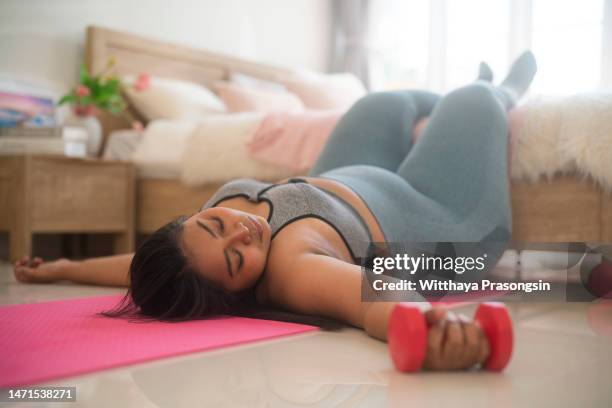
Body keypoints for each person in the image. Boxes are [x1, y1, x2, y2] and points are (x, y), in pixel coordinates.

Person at [13, 52, 537, 371]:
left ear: (187, 222)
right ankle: (497, 92)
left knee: (377, 105)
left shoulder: (194, 250)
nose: (243, 231)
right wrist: (425, 325)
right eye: (237, 260)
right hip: (436, 213)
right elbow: (372, 298)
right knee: (471, 100)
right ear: (238, 291)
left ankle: (447, 102)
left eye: (214, 224)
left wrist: (62, 269)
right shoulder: (294, 270)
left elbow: (141, 265)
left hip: (343, 177)